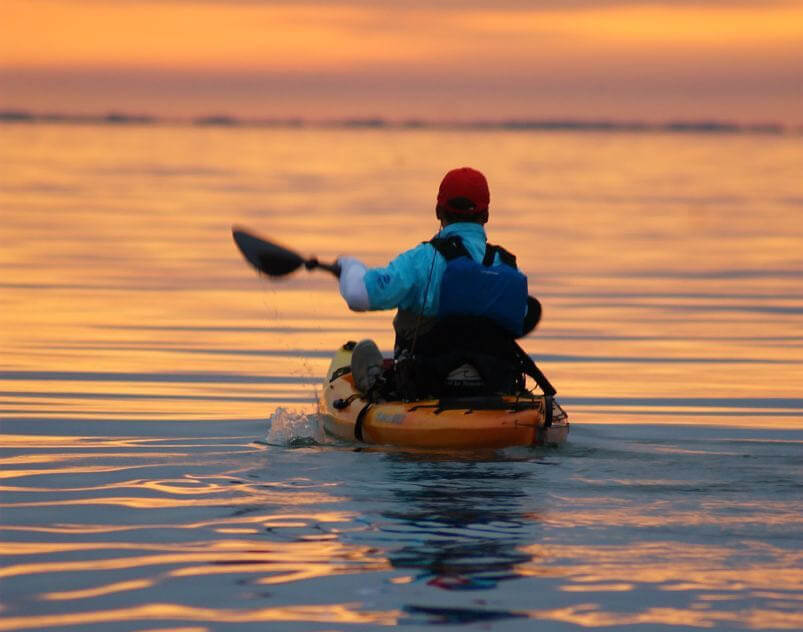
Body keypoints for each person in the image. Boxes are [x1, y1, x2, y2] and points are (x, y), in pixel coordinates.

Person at [337, 167, 541, 400]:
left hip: (427, 386)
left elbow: (358, 296)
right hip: (495, 386)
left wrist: (349, 267)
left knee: (365, 350)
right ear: (486, 216)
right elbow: (524, 314)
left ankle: (379, 382)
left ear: (438, 211)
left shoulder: (421, 261)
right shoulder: (507, 265)